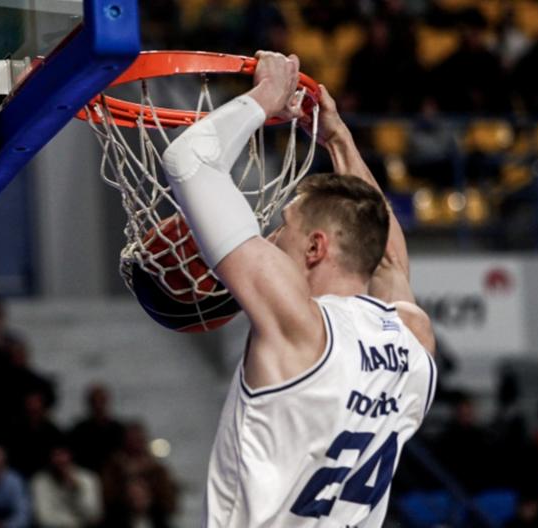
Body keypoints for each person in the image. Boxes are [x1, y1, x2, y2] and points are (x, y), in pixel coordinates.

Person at [160, 51, 436, 526]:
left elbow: (188, 161)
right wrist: (337, 138)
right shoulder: (413, 340)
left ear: (314, 247)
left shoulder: (300, 326)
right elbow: (388, 253)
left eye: (283, 226)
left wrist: (266, 95)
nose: (271, 237)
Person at [31, 444, 102, 528]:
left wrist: (76, 491)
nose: (59, 460)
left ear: (70, 455)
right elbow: (43, 518)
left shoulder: (88, 479)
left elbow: (93, 516)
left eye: (63, 454)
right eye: (55, 455)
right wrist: (71, 523)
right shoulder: (39, 481)